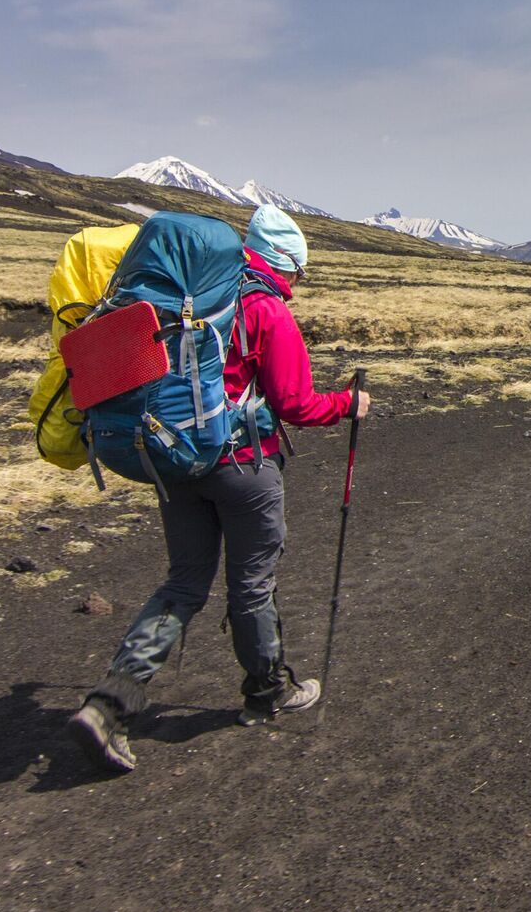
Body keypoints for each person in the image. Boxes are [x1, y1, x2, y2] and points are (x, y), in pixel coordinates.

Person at [67, 206, 370, 772]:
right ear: (287, 265)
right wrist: (348, 404)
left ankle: (110, 703)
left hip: (176, 461)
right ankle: (267, 692)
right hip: (243, 468)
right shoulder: (265, 309)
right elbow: (295, 404)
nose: (297, 286)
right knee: (252, 582)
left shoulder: (193, 300)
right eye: (299, 274)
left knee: (183, 582)